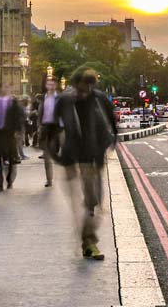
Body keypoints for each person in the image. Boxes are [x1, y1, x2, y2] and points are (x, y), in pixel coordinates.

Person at [55, 68, 117, 260]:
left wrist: (109, 143)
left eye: (89, 88)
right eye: (82, 89)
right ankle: (88, 243)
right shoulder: (65, 101)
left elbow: (111, 123)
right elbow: (51, 127)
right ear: (75, 86)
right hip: (72, 158)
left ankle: (87, 239)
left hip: (93, 157)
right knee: (81, 203)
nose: (85, 92)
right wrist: (57, 154)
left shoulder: (99, 99)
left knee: (94, 201)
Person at [0, 84, 25, 191]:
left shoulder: (14, 103)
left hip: (10, 133)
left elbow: (19, 117)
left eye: (7, 88)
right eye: (3, 87)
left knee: (11, 158)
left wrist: (17, 131)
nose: (5, 90)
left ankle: (9, 179)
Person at [37, 77, 62, 187]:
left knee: (56, 154)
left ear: (55, 86)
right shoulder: (43, 98)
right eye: (49, 84)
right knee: (47, 156)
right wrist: (39, 126)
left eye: (52, 84)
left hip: (57, 128)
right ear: (46, 86)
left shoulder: (60, 98)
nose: (50, 87)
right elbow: (40, 113)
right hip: (46, 128)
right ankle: (49, 180)